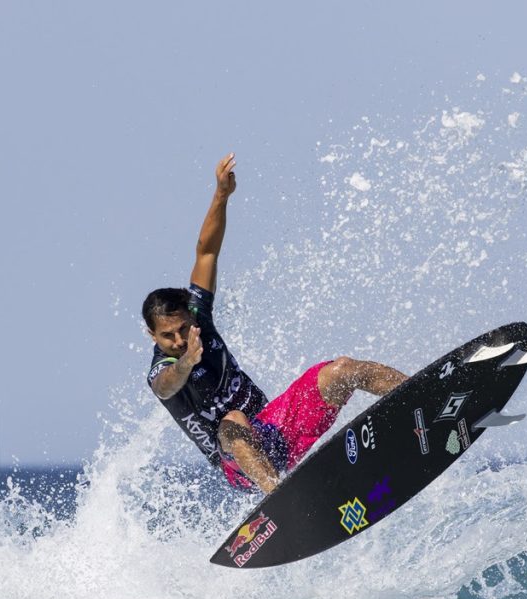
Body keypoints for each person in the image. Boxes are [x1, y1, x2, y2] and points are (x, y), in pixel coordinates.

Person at [143, 152, 408, 494]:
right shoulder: (161, 368)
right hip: (239, 465)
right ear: (152, 335)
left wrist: (221, 195)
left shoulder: (199, 317)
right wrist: (186, 361)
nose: (179, 340)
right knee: (233, 422)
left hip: (277, 427)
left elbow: (206, 252)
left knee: (342, 369)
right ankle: (283, 501)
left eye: (182, 329)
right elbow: (165, 386)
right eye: (167, 336)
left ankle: (426, 394)